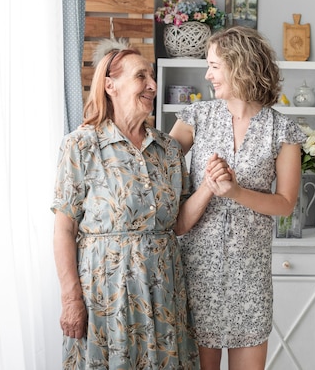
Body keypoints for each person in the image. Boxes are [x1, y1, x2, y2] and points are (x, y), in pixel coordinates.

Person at [51, 40, 228, 369]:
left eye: (153, 76)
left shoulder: (168, 149)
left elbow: (178, 224)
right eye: (141, 76)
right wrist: (70, 297)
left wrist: (208, 186)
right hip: (105, 297)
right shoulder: (81, 145)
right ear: (110, 85)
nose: (153, 85)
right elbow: (63, 229)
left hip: (163, 295)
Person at [169, 26, 307, 370]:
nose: (207, 74)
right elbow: (157, 165)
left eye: (214, 65)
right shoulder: (195, 117)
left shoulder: (283, 130)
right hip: (196, 273)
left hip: (250, 277)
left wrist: (236, 191)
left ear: (240, 65)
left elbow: (286, 202)